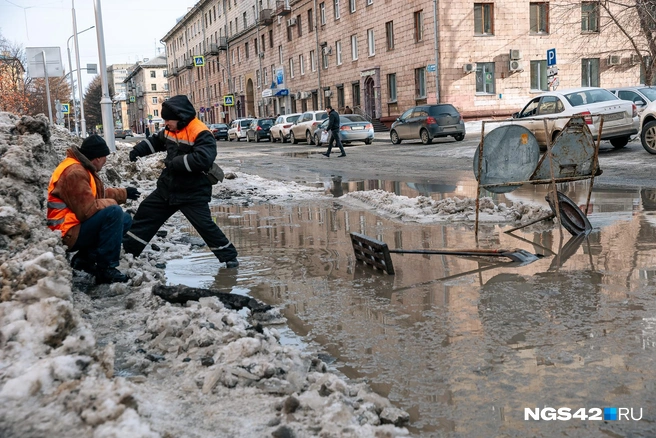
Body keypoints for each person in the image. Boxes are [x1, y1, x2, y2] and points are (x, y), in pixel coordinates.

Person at [124, 95, 239, 268]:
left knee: (205, 226)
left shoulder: (201, 133)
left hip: (193, 191)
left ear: (180, 118)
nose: (166, 124)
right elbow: (156, 141)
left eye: (168, 120)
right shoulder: (171, 130)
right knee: (146, 213)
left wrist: (173, 163)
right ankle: (128, 251)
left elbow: (203, 160)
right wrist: (136, 152)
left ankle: (229, 257)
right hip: (168, 189)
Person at [47, 135, 139, 284]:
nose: (105, 161)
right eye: (105, 157)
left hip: (74, 227)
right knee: (115, 213)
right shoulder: (75, 172)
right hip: (65, 232)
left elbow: (95, 195)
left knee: (125, 219)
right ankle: (106, 269)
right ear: (97, 158)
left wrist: (124, 193)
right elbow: (87, 210)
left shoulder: (81, 168)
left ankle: (85, 259)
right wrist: (112, 204)